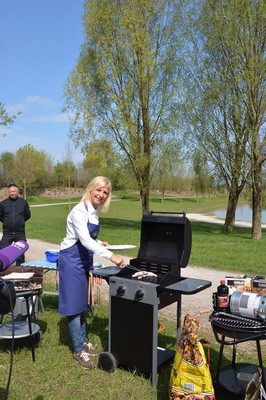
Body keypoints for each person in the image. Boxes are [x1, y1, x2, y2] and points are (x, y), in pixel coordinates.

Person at [58, 176, 125, 369]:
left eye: (105, 192)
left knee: (83, 303)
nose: (102, 195)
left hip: (84, 259)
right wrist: (111, 256)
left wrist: (99, 242)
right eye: (99, 190)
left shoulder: (93, 212)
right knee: (74, 305)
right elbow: (84, 241)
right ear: (90, 189)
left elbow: (88, 239)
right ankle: (79, 350)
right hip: (71, 260)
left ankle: (83, 340)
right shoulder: (79, 211)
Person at [0, 184, 31, 266]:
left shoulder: (23, 203)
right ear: (8, 192)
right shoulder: (3, 204)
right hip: (7, 233)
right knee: (2, 252)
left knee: (20, 255)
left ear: (17, 192)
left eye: (14, 191)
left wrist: (19, 221)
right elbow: (0, 216)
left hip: (19, 233)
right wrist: (7, 222)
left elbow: (28, 215)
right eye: (10, 191)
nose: (12, 193)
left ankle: (20, 272)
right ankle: (3, 271)